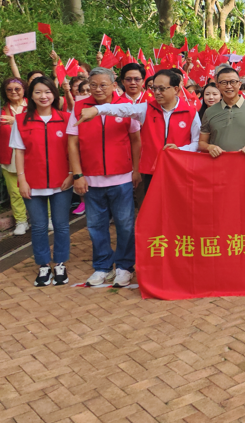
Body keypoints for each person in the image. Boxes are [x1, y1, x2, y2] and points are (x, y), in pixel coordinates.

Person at [67, 68, 141, 288]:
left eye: (103, 85)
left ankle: (125, 266)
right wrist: (78, 174)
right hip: (91, 179)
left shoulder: (126, 107)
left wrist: (136, 169)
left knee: (125, 225)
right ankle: (102, 266)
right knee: (95, 225)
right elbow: (72, 142)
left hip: (122, 178)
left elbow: (136, 140)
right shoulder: (80, 107)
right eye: (93, 85)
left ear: (113, 84)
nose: (98, 89)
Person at [76, 69, 201, 194]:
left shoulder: (190, 113)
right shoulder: (146, 108)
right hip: (152, 171)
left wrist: (180, 150)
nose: (157, 93)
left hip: (180, 170)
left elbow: (197, 142)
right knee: (151, 210)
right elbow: (123, 109)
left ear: (176, 89)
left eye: (162, 89)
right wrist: (97, 110)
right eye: (154, 88)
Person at [10, 77, 74, 287]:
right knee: (38, 227)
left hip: (62, 181)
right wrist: (22, 180)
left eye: (47, 91)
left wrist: (72, 173)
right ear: (31, 96)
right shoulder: (21, 120)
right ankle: (44, 265)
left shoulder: (66, 118)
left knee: (61, 225)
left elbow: (74, 150)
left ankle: (60, 264)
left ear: (54, 94)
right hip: (32, 182)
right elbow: (19, 152)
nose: (43, 96)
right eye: (38, 92)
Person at [199, 67, 245, 156]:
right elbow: (202, 142)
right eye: (224, 83)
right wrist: (209, 147)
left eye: (233, 82)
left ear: (239, 84)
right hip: (218, 165)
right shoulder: (209, 112)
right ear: (217, 86)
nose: (229, 86)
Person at [2, 77, 27, 235]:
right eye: (9, 90)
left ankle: (48, 218)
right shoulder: (2, 110)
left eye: (17, 89)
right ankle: (21, 221)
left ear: (24, 89)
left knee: (41, 189)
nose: (13, 92)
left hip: (32, 155)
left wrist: (16, 120)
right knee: (15, 192)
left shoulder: (33, 106)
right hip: (8, 158)